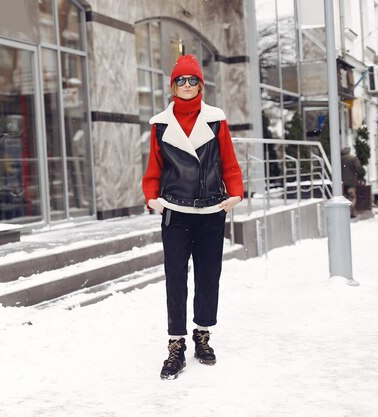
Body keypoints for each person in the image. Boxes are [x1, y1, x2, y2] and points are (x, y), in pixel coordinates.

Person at [142, 54, 244, 380]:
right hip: (175, 210)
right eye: (180, 80)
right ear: (173, 85)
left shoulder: (216, 119)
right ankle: (176, 345)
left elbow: (227, 159)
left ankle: (202, 336)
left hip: (212, 210)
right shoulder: (160, 123)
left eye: (192, 80)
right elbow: (154, 167)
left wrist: (235, 192)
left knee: (208, 276)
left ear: (200, 84)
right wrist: (152, 197)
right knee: (175, 278)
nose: (186, 85)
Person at [341, 147, 365, 218]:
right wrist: (361, 176)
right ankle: (352, 212)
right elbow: (359, 169)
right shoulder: (353, 158)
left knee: (344, 198)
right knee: (352, 197)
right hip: (351, 182)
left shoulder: (338, 159)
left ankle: (345, 213)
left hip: (342, 182)